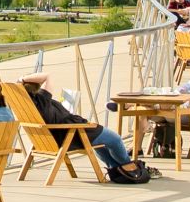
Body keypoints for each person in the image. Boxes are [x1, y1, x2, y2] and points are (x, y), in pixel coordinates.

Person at [21, 72, 151, 180]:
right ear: (37, 89)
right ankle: (129, 168)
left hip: (61, 135)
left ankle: (117, 170)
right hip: (73, 133)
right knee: (114, 139)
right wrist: (22, 78)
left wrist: (19, 84)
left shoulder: (29, 106)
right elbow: (47, 76)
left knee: (100, 144)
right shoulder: (41, 100)